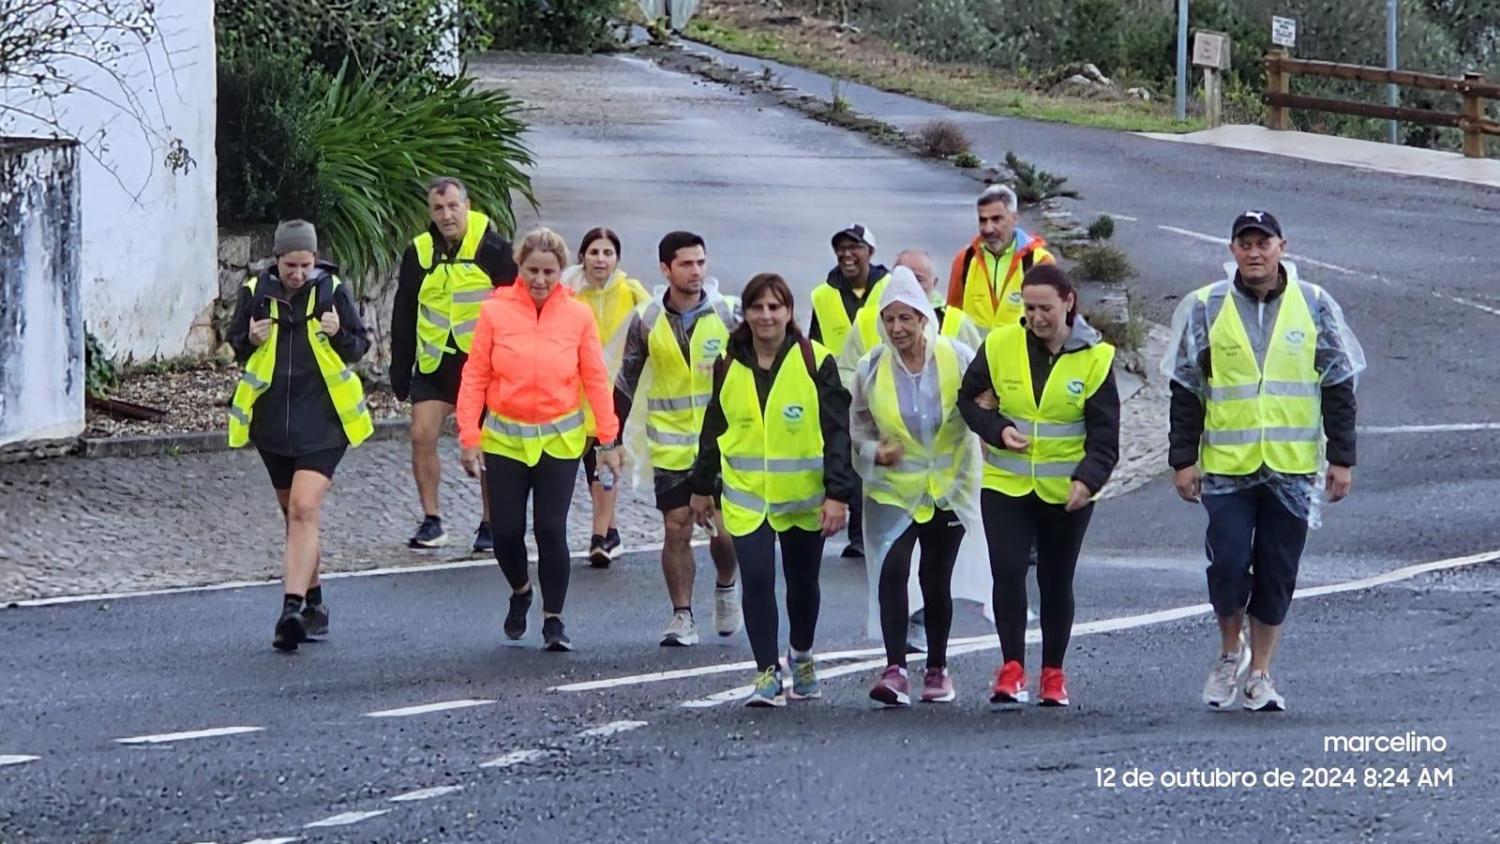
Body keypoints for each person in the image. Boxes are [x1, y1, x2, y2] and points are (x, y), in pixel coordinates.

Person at [1163, 210, 1364, 712]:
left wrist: (1341, 458)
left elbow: (1337, 383)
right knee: (1228, 563)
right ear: (1231, 249)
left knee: (1277, 570)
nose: (1254, 252)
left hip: (1291, 466)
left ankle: (1261, 673)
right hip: (1228, 465)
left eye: (1263, 242)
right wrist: (1182, 459)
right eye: (1244, 243)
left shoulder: (1314, 305)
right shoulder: (1206, 307)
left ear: (1282, 247)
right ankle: (1231, 651)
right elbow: (1187, 388)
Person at [957, 264, 1120, 707]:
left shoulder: (1096, 358)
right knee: (1007, 570)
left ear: (1068, 302)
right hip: (1006, 483)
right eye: (1028, 308)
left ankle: (1053, 673)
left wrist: (1087, 480)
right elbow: (967, 400)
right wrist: (996, 428)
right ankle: (1011, 668)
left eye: (1045, 308)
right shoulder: (1000, 344)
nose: (1036, 317)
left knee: (1055, 578)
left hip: (1065, 490)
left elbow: (1106, 438)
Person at [690, 273, 855, 708]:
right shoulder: (728, 361)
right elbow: (715, 422)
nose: (765, 316)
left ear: (788, 312)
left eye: (774, 307)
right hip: (747, 499)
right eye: (757, 307)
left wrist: (838, 495)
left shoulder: (815, 360)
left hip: (803, 499)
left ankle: (801, 654)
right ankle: (766, 672)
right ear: (745, 313)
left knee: (802, 584)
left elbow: (838, 432)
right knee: (758, 579)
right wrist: (701, 486)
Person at [456, 227, 623, 652]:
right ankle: (520, 590)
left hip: (559, 442)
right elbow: (475, 375)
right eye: (533, 270)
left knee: (551, 530)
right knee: (506, 531)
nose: (541, 280)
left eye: (550, 271)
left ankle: (554, 619)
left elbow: (595, 378)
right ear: (519, 267)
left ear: (561, 271)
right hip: (505, 441)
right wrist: (469, 435)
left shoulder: (577, 315)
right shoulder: (495, 312)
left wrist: (608, 439)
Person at [227, 220, 373, 651]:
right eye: (291, 264)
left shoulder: (332, 291)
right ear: (277, 260)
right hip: (273, 425)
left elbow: (359, 346)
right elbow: (237, 345)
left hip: (325, 423)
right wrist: (248, 339)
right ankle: (315, 603)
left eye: (306, 264)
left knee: (304, 508)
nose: (298, 273)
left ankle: (290, 609)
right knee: (293, 516)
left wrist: (338, 333)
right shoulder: (255, 293)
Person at [850, 267, 992, 706]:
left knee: (935, 578)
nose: (897, 328)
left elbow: (982, 401)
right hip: (893, 489)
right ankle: (894, 669)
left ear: (923, 319)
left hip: (948, 486)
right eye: (889, 319)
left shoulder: (957, 355)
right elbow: (856, 426)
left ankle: (936, 667)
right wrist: (875, 452)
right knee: (892, 571)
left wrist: (988, 415)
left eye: (906, 318)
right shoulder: (870, 367)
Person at [614, 232, 742, 645]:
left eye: (701, 262)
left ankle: (725, 582)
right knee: (677, 527)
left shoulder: (728, 314)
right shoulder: (647, 318)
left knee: (723, 532)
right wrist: (609, 440)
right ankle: (682, 616)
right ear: (666, 269)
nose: (696, 271)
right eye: (687, 264)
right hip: (669, 445)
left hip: (722, 443)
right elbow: (626, 380)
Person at [390, 176, 517, 552]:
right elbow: (404, 311)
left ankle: (491, 523)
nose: (446, 215)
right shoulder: (419, 252)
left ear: (468, 205)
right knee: (421, 434)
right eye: (438, 208)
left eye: (453, 206)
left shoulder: (495, 249)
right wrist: (401, 366)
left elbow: (515, 310)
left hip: (483, 367)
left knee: (488, 445)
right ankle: (432, 520)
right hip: (434, 364)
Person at [565, 227, 651, 568]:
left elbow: (653, 324)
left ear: (616, 259)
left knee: (606, 459)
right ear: (582, 256)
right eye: (594, 252)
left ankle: (599, 535)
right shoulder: (567, 291)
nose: (600, 259)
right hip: (573, 388)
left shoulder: (631, 292)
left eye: (607, 253)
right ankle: (610, 528)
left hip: (616, 390)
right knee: (586, 463)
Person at [809, 223, 890, 559]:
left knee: (881, 459)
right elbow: (813, 342)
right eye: (841, 248)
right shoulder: (823, 295)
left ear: (870, 252)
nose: (846, 254)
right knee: (851, 457)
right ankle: (858, 534)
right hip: (839, 390)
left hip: (884, 388)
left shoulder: (889, 287)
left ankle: (880, 527)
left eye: (854, 247)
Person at [836, 248, 984, 386]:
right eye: (904, 277)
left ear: (935, 283)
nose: (910, 284)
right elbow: (846, 372)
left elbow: (979, 374)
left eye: (918, 279)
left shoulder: (958, 322)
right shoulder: (866, 320)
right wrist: (870, 394)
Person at [946, 185, 1056, 336]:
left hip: (1019, 358)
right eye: (983, 220)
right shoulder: (964, 259)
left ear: (1014, 218)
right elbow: (951, 318)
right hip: (974, 357)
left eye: (996, 219)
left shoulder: (1040, 261)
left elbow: (1051, 322)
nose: (988, 228)